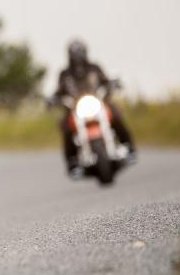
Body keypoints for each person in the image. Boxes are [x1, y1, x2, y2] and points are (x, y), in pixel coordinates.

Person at [54, 39, 136, 178]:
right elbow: (58, 92)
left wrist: (112, 84)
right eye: (75, 54)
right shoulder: (65, 74)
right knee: (66, 127)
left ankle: (129, 147)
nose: (78, 58)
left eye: (80, 53)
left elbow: (106, 81)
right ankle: (72, 162)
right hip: (75, 109)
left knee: (115, 114)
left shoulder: (94, 68)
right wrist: (53, 99)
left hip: (97, 104)